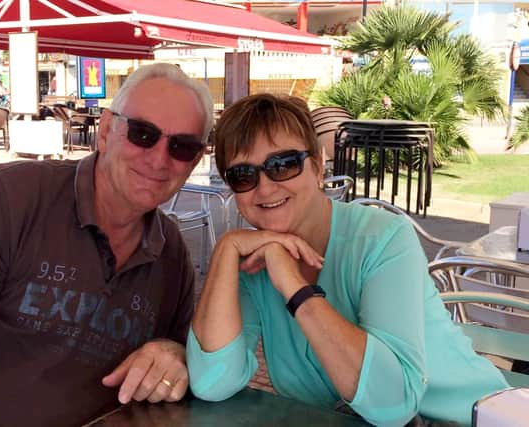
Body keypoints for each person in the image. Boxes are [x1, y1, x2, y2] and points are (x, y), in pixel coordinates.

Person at [0, 63, 214, 427]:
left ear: (195, 161)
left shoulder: (171, 257)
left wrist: (174, 354)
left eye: (182, 147)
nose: (158, 159)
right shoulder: (7, 201)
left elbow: (179, 360)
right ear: (106, 131)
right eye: (142, 134)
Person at [187, 93, 508, 426]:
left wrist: (295, 288)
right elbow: (213, 383)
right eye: (242, 174)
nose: (265, 188)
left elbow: (393, 403)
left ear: (317, 165)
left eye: (283, 164)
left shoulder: (381, 237)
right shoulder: (249, 259)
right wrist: (226, 248)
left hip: (472, 417)